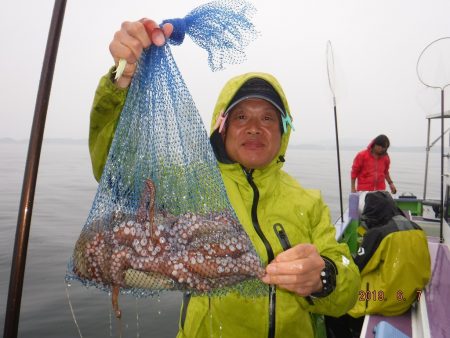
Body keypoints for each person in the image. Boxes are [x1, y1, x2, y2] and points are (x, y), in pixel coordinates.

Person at [88, 19, 360, 338]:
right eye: (241, 116)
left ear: (283, 131)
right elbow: (119, 172)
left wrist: (324, 277)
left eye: (268, 118)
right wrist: (123, 81)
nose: (255, 127)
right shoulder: (190, 187)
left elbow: (348, 285)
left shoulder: (309, 201)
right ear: (223, 128)